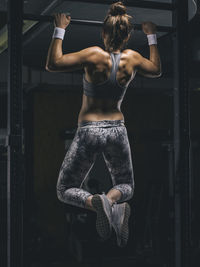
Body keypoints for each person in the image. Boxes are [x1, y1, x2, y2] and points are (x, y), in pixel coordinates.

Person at [45, 1, 161, 247]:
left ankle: (99, 203)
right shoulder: (133, 58)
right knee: (126, 186)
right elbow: (156, 70)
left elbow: (53, 64)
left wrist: (60, 29)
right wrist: (152, 36)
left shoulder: (93, 55)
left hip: (89, 129)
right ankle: (111, 202)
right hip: (117, 130)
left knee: (65, 189)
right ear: (128, 35)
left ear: (103, 32)